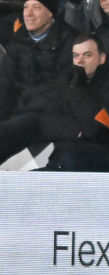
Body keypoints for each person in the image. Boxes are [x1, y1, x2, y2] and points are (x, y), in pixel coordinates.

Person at [0, 0, 76, 165]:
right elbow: (6, 84)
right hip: (22, 111)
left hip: (51, 114)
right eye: (26, 7)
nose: (28, 14)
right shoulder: (19, 39)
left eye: (36, 8)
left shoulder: (68, 39)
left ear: (50, 12)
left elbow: (64, 86)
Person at [39, 33, 109, 171]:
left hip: (97, 156)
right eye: (75, 55)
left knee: (70, 162)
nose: (79, 61)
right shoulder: (65, 82)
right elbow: (47, 122)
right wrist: (78, 132)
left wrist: (76, 87)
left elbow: (95, 129)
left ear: (102, 58)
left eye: (87, 55)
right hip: (61, 156)